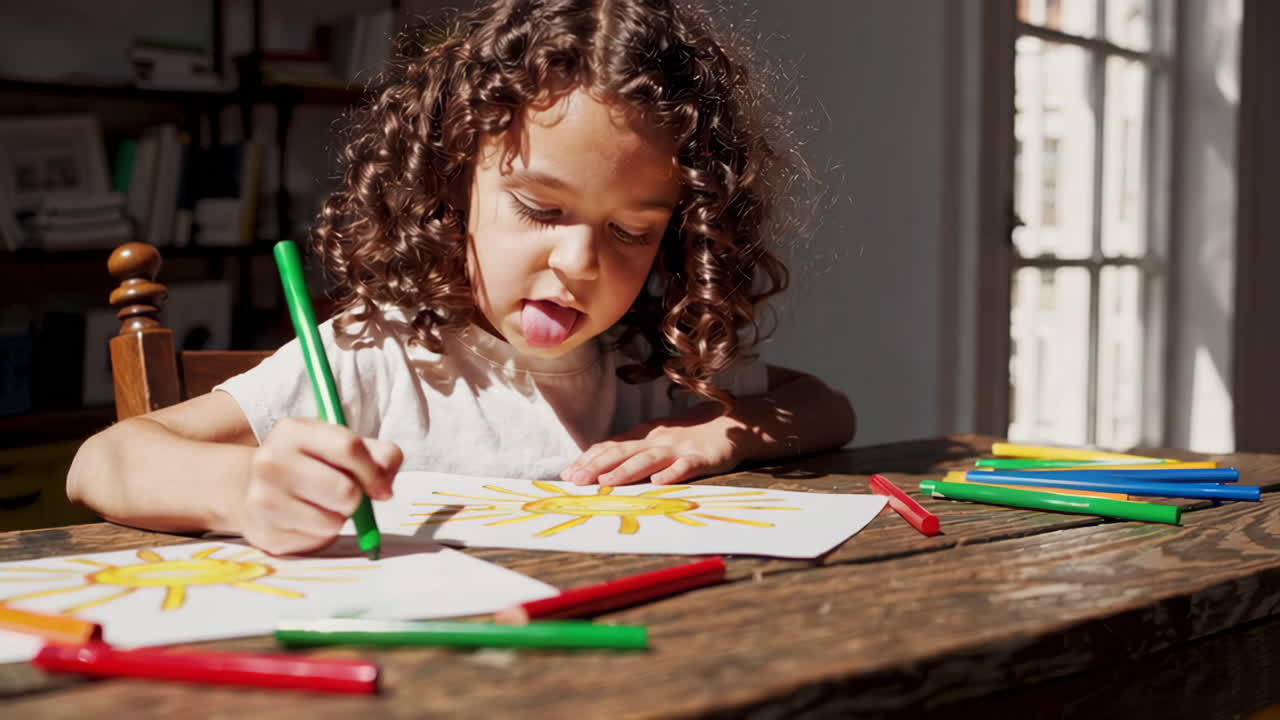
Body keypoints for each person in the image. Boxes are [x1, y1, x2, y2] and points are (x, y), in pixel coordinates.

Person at [68, 0, 855, 555]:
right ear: (451, 184)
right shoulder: (377, 355)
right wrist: (243, 487)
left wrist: (715, 436)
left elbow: (826, 407)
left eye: (631, 231)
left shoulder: (647, 359)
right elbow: (101, 462)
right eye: (541, 210)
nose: (581, 264)